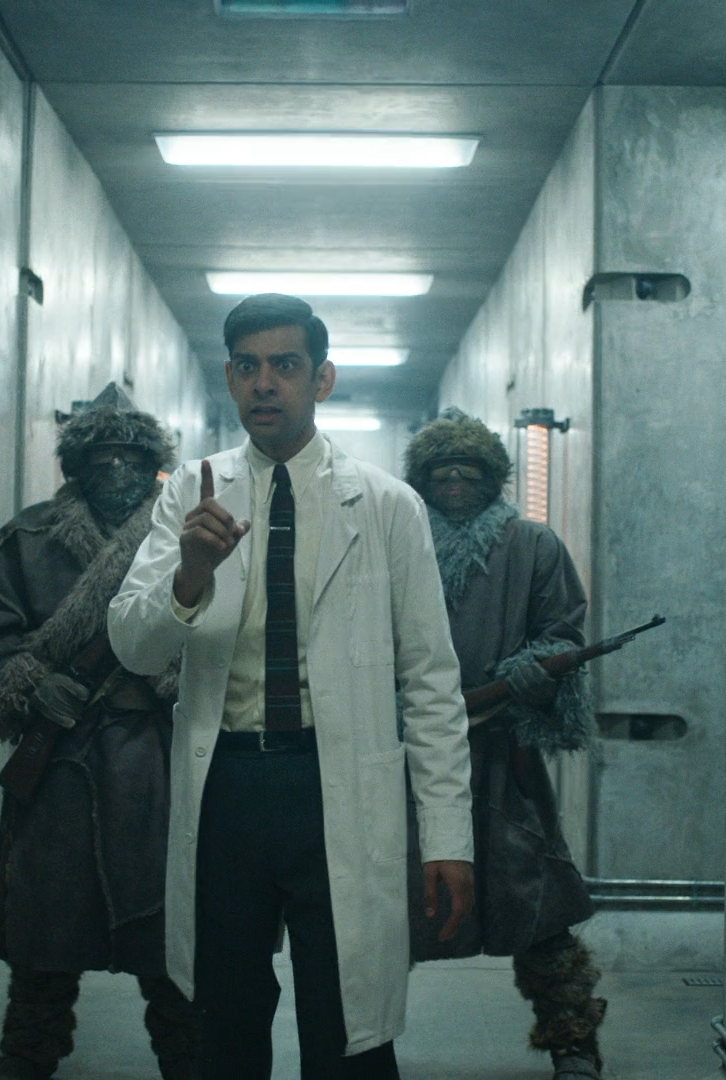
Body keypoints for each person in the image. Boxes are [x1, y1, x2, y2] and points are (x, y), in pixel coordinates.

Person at [107, 294, 476, 1079]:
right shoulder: (193, 492)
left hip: (335, 784)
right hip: (229, 786)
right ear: (230, 380)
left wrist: (448, 836)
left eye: (285, 365)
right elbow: (133, 647)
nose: (265, 383)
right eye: (248, 367)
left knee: (348, 1029)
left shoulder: (387, 505)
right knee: (225, 1022)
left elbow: (432, 681)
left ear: (322, 379)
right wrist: (189, 576)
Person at [0, 384, 197, 1080]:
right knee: (45, 928)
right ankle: (28, 1052)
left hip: (155, 760)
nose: (117, 467)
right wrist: (34, 684)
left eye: (131, 456)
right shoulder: (27, 539)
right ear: (76, 465)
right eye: (102, 456)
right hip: (60, 762)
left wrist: (167, 674)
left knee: (170, 932)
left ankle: (188, 1058)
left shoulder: (183, 538)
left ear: (154, 464)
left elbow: (216, 633)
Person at [401, 407, 606, 1079]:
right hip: (405, 756)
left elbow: (562, 633)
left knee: (537, 902)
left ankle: (573, 1038)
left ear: (493, 478)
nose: (455, 481)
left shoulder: (533, 544)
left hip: (501, 756)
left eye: (469, 470)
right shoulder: (394, 541)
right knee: (383, 906)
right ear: (422, 480)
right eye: (442, 471)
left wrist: (532, 671)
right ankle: (361, 1042)